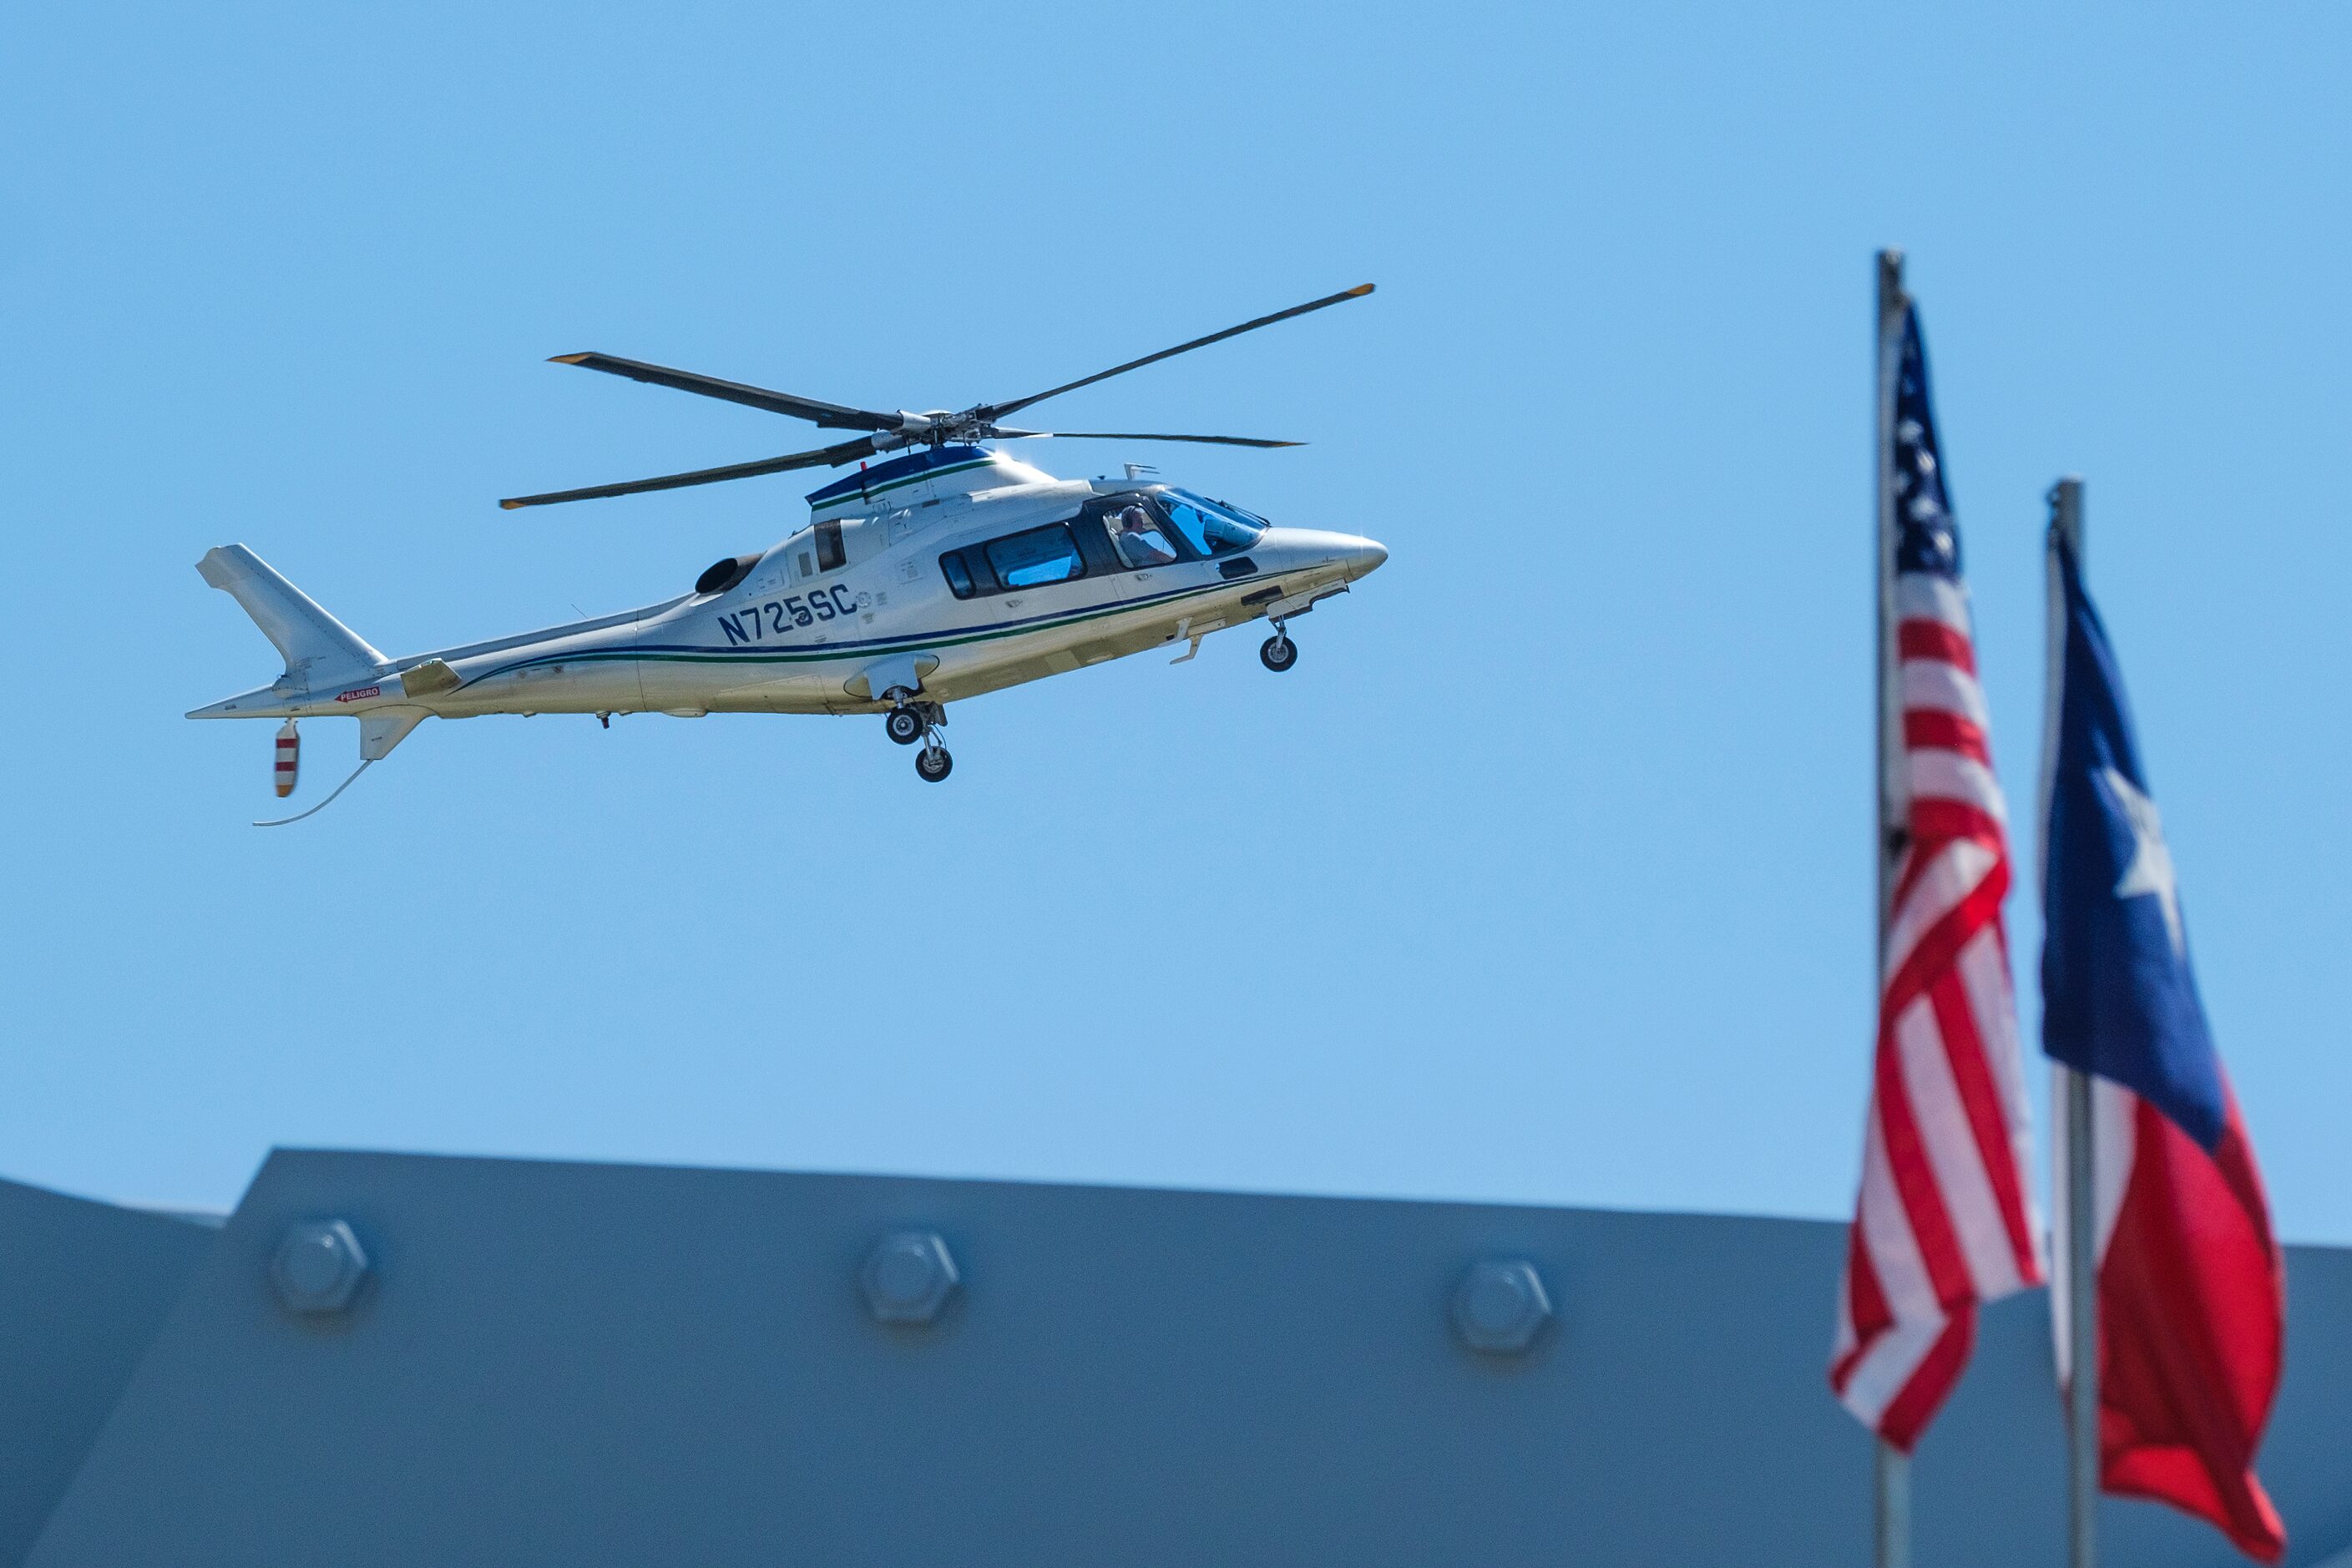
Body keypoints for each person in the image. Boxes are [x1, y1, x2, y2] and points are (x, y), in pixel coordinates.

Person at [1112, 503, 1176, 568]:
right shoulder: (1131, 537)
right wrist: (1175, 561)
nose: (1142, 525)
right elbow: (1156, 555)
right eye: (1140, 522)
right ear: (1128, 523)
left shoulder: (1125, 537)